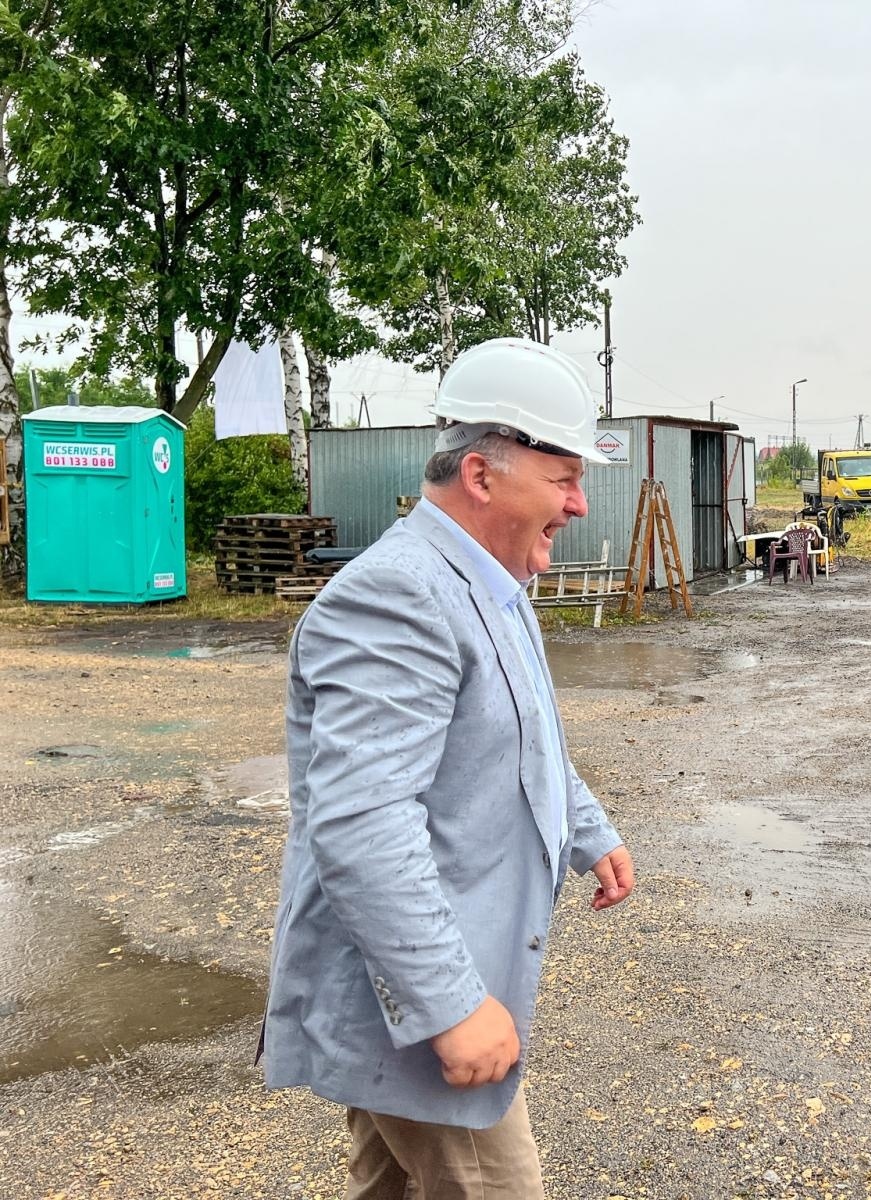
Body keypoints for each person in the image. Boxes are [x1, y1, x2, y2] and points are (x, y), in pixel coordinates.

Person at [263, 338, 636, 1200]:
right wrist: (450, 1008)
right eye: (564, 479)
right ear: (481, 474)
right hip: (417, 1007)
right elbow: (360, 823)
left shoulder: (491, 584)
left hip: (420, 1000)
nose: (579, 504)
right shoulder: (398, 595)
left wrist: (588, 830)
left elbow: (521, 737)